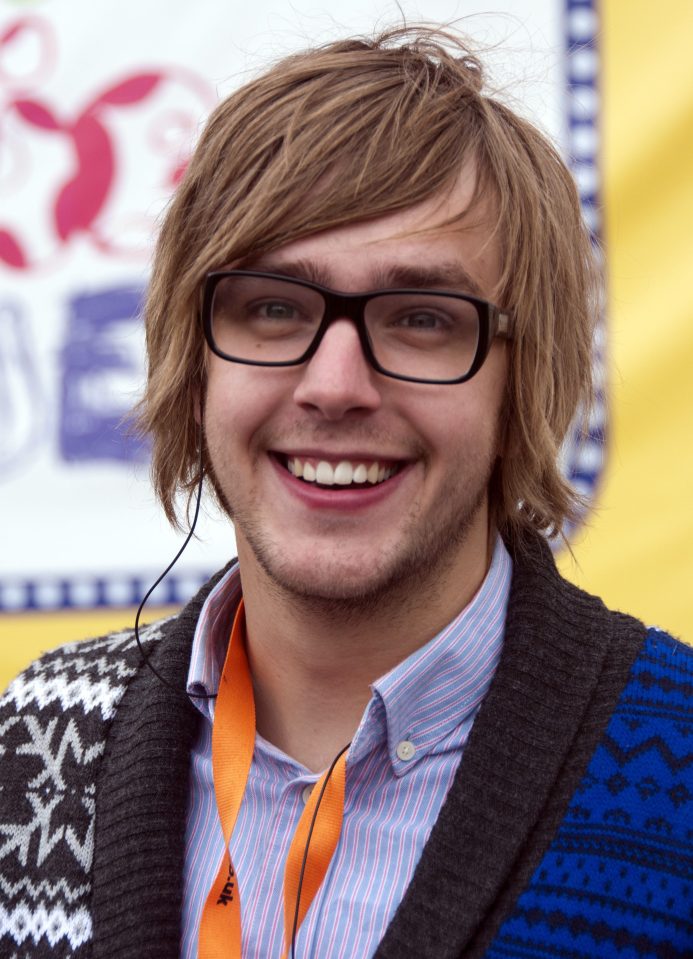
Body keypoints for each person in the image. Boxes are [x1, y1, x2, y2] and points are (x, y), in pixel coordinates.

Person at [1, 25, 690, 959]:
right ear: (191, 358)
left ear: (521, 376)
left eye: (419, 319)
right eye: (274, 307)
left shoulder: (675, 766)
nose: (334, 385)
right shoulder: (38, 745)